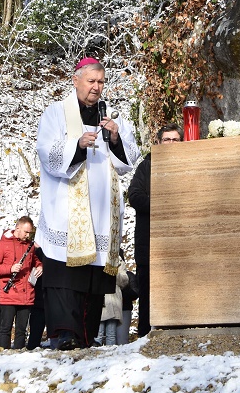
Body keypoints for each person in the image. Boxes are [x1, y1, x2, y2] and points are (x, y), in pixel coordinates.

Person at [35, 58, 139, 349]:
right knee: (66, 278)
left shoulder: (110, 118)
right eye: (91, 81)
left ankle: (87, 333)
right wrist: (77, 145)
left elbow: (128, 161)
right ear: (75, 80)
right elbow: (47, 152)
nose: (96, 87)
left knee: (93, 280)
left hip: (102, 211)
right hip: (66, 210)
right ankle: (66, 334)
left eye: (101, 82)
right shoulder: (56, 113)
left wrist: (115, 138)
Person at [126, 123, 182, 337]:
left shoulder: (190, 165)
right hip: (149, 245)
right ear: (158, 142)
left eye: (175, 140)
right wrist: (164, 204)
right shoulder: (145, 167)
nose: (170, 144)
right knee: (149, 295)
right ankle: (145, 338)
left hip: (179, 245)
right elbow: (135, 196)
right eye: (166, 139)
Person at [0, 217, 43, 349]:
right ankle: (4, 355)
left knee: (21, 331)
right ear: (17, 228)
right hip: (9, 293)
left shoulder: (29, 246)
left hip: (26, 293)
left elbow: (35, 260)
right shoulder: (1, 245)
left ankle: (19, 357)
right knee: (5, 328)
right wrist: (10, 268)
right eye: (26, 232)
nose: (28, 235)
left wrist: (40, 266)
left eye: (30, 232)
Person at [97, 261, 130, 345]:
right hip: (99, 298)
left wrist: (114, 272)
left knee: (111, 334)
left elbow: (124, 281)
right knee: (98, 334)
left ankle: (110, 355)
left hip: (113, 300)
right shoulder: (97, 258)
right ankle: (96, 355)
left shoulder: (118, 260)